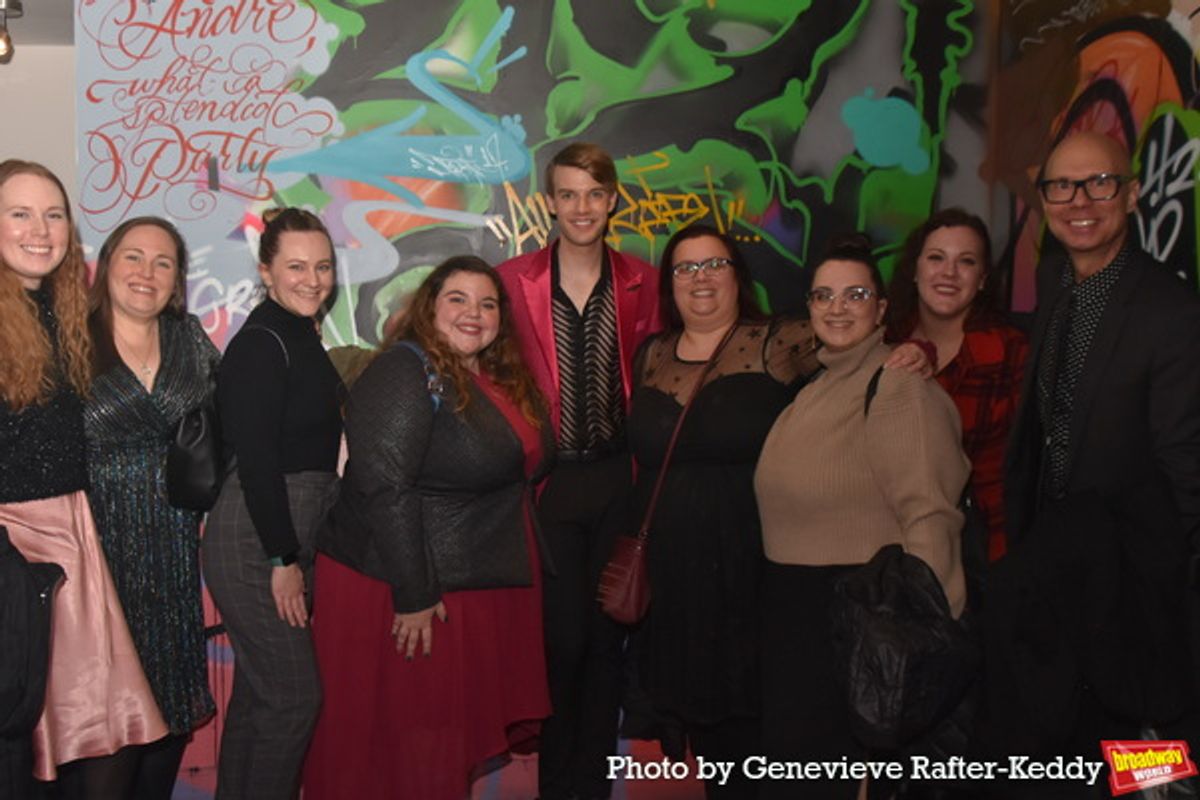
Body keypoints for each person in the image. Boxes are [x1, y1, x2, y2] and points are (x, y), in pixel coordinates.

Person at [991, 131, 1200, 795]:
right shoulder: (1056, 285)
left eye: (1099, 183)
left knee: (1148, 781)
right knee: (1063, 774)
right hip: (1056, 592)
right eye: (1061, 185)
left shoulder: (1172, 312)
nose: (1079, 201)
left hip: (1142, 608)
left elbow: (1186, 468)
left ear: (1132, 194)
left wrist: (1179, 611)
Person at [306, 255, 554, 800]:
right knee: (408, 746)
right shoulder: (405, 368)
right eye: (458, 299)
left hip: (463, 577)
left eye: (488, 303)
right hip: (400, 585)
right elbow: (383, 484)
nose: (475, 313)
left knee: (437, 743)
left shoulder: (492, 378)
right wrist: (414, 595)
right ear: (429, 307)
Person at [754, 235, 969, 800]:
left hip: (860, 639)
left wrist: (918, 663)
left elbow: (931, 520)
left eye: (855, 294)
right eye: (823, 295)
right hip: (797, 632)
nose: (837, 307)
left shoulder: (899, 386)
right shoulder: (814, 387)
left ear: (880, 308)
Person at [497, 141, 660, 800]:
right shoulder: (513, 281)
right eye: (568, 194)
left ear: (613, 198)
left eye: (594, 194)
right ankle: (556, 785)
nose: (582, 207)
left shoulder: (643, 280)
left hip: (620, 480)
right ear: (550, 202)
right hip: (550, 485)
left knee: (603, 646)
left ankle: (587, 788)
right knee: (559, 645)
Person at [0, 160, 169, 791]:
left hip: (72, 534)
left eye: (53, 214)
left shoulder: (57, 308)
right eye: (20, 213)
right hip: (15, 544)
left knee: (99, 734)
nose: (40, 229)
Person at [201, 207, 343, 800]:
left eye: (324, 267)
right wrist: (283, 559)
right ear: (266, 272)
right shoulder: (263, 341)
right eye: (295, 267)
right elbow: (256, 460)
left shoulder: (296, 335)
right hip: (257, 539)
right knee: (294, 697)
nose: (312, 279)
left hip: (280, 532)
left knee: (264, 695)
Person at [82, 216, 220, 798]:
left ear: (178, 281)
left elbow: (231, 425)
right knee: (105, 730)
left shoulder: (190, 338)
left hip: (174, 556)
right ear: (106, 264)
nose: (147, 272)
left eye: (163, 263)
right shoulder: (69, 338)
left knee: (165, 728)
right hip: (93, 556)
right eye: (133, 257)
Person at [886, 208, 1028, 560]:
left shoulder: (1011, 350)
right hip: (890, 543)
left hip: (982, 544)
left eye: (966, 261)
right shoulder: (882, 344)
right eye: (936, 258)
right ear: (915, 271)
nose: (948, 272)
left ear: (982, 279)